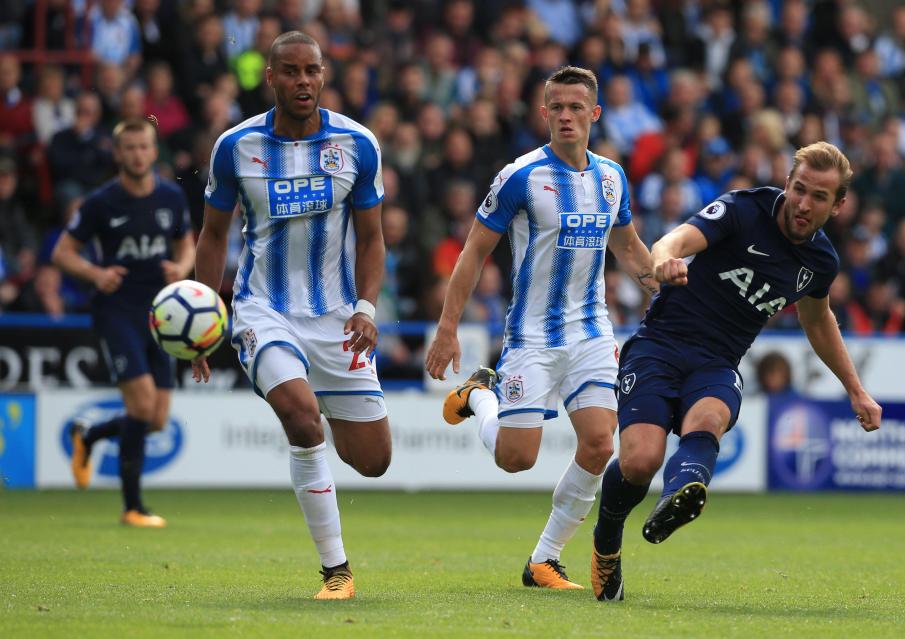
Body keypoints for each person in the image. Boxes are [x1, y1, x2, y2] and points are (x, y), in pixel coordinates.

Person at [591, 141, 883, 601]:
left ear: (839, 205)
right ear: (787, 182)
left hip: (717, 362)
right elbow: (677, 239)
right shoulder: (744, 210)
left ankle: (679, 496)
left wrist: (856, 390)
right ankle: (606, 544)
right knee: (640, 461)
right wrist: (665, 257)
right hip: (659, 347)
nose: (804, 204)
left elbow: (818, 319)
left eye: (819, 197)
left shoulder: (820, 262)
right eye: (799, 189)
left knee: (709, 419)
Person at [425, 66, 659, 591]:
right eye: (557, 107)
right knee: (516, 459)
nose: (567, 116)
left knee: (600, 446)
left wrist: (663, 293)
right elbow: (473, 253)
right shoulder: (520, 176)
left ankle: (544, 560)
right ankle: (479, 397)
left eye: (577, 107)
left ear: (595, 114)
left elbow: (627, 248)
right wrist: (447, 328)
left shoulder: (611, 177)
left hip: (592, 332)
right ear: (544, 113)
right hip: (531, 337)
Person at [192, 31, 391, 601]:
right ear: (271, 77)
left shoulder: (358, 144)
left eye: (312, 71)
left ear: (323, 75)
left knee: (373, 462)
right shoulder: (236, 146)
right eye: (291, 71)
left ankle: (315, 390)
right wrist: (208, 316)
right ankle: (337, 572)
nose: (303, 81)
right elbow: (213, 235)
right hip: (264, 309)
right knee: (304, 424)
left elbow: (372, 239)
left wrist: (366, 308)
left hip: (337, 320)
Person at [52, 118, 195, 528]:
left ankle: (91, 435)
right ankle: (133, 507)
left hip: (163, 315)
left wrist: (181, 267)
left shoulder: (170, 196)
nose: (136, 154)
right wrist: (96, 275)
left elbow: (186, 242)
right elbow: (63, 253)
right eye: (128, 148)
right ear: (117, 154)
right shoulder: (100, 202)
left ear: (154, 151)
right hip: (117, 311)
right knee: (142, 405)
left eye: (143, 146)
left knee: (157, 419)